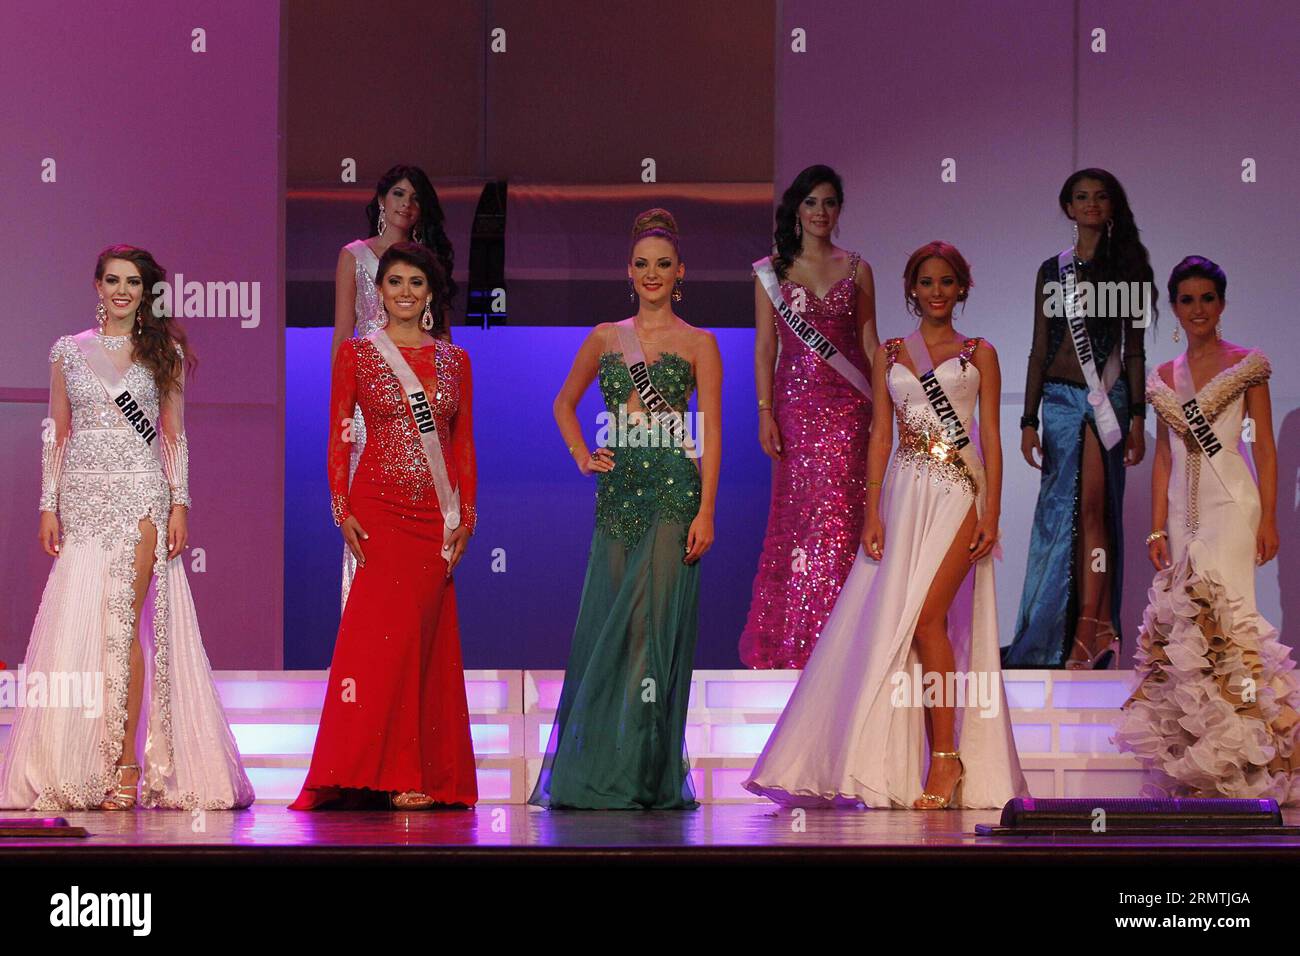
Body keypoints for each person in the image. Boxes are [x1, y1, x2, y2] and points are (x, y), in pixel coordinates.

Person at [744, 242, 1026, 809]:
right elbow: (879, 437)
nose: (937, 292)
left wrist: (993, 512)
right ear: (912, 289)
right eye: (926, 282)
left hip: (957, 494)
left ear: (962, 288)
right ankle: (900, 762)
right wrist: (871, 511)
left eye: (947, 282)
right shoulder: (892, 353)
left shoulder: (982, 352)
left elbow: (991, 440)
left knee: (928, 619)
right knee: (894, 621)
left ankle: (946, 760)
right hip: (903, 494)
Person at [0, 244, 254, 811]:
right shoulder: (69, 352)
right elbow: (57, 433)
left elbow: (173, 435)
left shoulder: (161, 350)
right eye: (112, 280)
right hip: (83, 498)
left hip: (141, 495)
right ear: (97, 286)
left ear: (145, 292)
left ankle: (124, 765)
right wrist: (49, 504)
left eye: (133, 282)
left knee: (123, 623)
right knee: (83, 625)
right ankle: (78, 759)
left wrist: (180, 504)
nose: (121, 291)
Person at [529, 208, 721, 809]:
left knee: (650, 631)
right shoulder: (607, 335)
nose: (652, 274)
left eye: (663, 264)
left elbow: (710, 433)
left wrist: (707, 510)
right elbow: (564, 403)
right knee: (611, 626)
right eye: (642, 264)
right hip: (616, 498)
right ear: (629, 272)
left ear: (680, 272)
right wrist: (582, 455)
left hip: (672, 494)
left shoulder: (700, 344)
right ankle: (603, 766)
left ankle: (642, 771)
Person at [291, 242, 477, 810]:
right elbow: (338, 433)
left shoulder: (454, 361)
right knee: (375, 644)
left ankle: (418, 767)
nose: (403, 291)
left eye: (415, 282)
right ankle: (369, 768)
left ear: (428, 293)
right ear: (380, 289)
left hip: (433, 514)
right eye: (394, 281)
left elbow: (462, 444)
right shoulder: (358, 355)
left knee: (421, 640)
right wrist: (340, 506)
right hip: (377, 509)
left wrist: (466, 515)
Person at [1115, 256, 1298, 803]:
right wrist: (1154, 530)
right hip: (1181, 512)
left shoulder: (1247, 364)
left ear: (1221, 303)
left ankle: (1246, 764)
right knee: (1189, 628)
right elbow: (1166, 459)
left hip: (1232, 505)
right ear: (1174, 306)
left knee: (1232, 626)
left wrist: (1268, 516)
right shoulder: (1165, 376)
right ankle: (1203, 768)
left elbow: (1263, 446)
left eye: (1208, 299)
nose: (1198, 309)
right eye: (1187, 300)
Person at [1003, 169, 1153, 668]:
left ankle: (1093, 622)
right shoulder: (1053, 271)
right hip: (1059, 400)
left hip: (1107, 396)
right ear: (1068, 207)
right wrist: (1027, 419)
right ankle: (1069, 628)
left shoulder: (1128, 269)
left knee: (1095, 509)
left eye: (1100, 197)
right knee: (1059, 515)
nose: (1090, 205)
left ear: (1113, 206)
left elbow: (1135, 352)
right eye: (1081, 198)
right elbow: (1039, 348)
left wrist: (1136, 417)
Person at [740, 164, 878, 669]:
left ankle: (848, 641)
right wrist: (764, 412)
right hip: (796, 406)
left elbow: (868, 343)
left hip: (850, 407)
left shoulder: (858, 267)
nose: (822, 212)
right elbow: (764, 348)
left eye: (830, 203)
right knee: (800, 517)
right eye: (812, 203)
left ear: (839, 210)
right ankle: (797, 638)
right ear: (796, 209)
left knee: (844, 515)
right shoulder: (770, 271)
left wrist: (885, 404)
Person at [331, 164, 457, 612]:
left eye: (415, 198)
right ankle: (360, 621)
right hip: (370, 404)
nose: (407, 204)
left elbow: (442, 339)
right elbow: (343, 334)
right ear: (381, 200)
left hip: (422, 403)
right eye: (399, 194)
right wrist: (342, 403)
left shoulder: (426, 263)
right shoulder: (355, 256)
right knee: (367, 520)